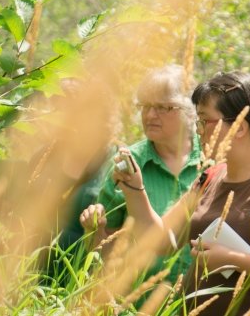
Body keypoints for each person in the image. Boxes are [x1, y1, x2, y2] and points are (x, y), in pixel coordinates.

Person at [93, 72, 250, 314]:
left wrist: (233, 259)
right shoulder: (209, 177)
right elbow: (161, 241)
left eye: (204, 121)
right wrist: (135, 189)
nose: (198, 131)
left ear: (239, 127)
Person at [80, 64, 203, 282]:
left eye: (163, 107)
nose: (150, 115)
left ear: (190, 110)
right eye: (145, 106)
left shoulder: (212, 160)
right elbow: (104, 255)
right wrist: (94, 231)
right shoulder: (127, 165)